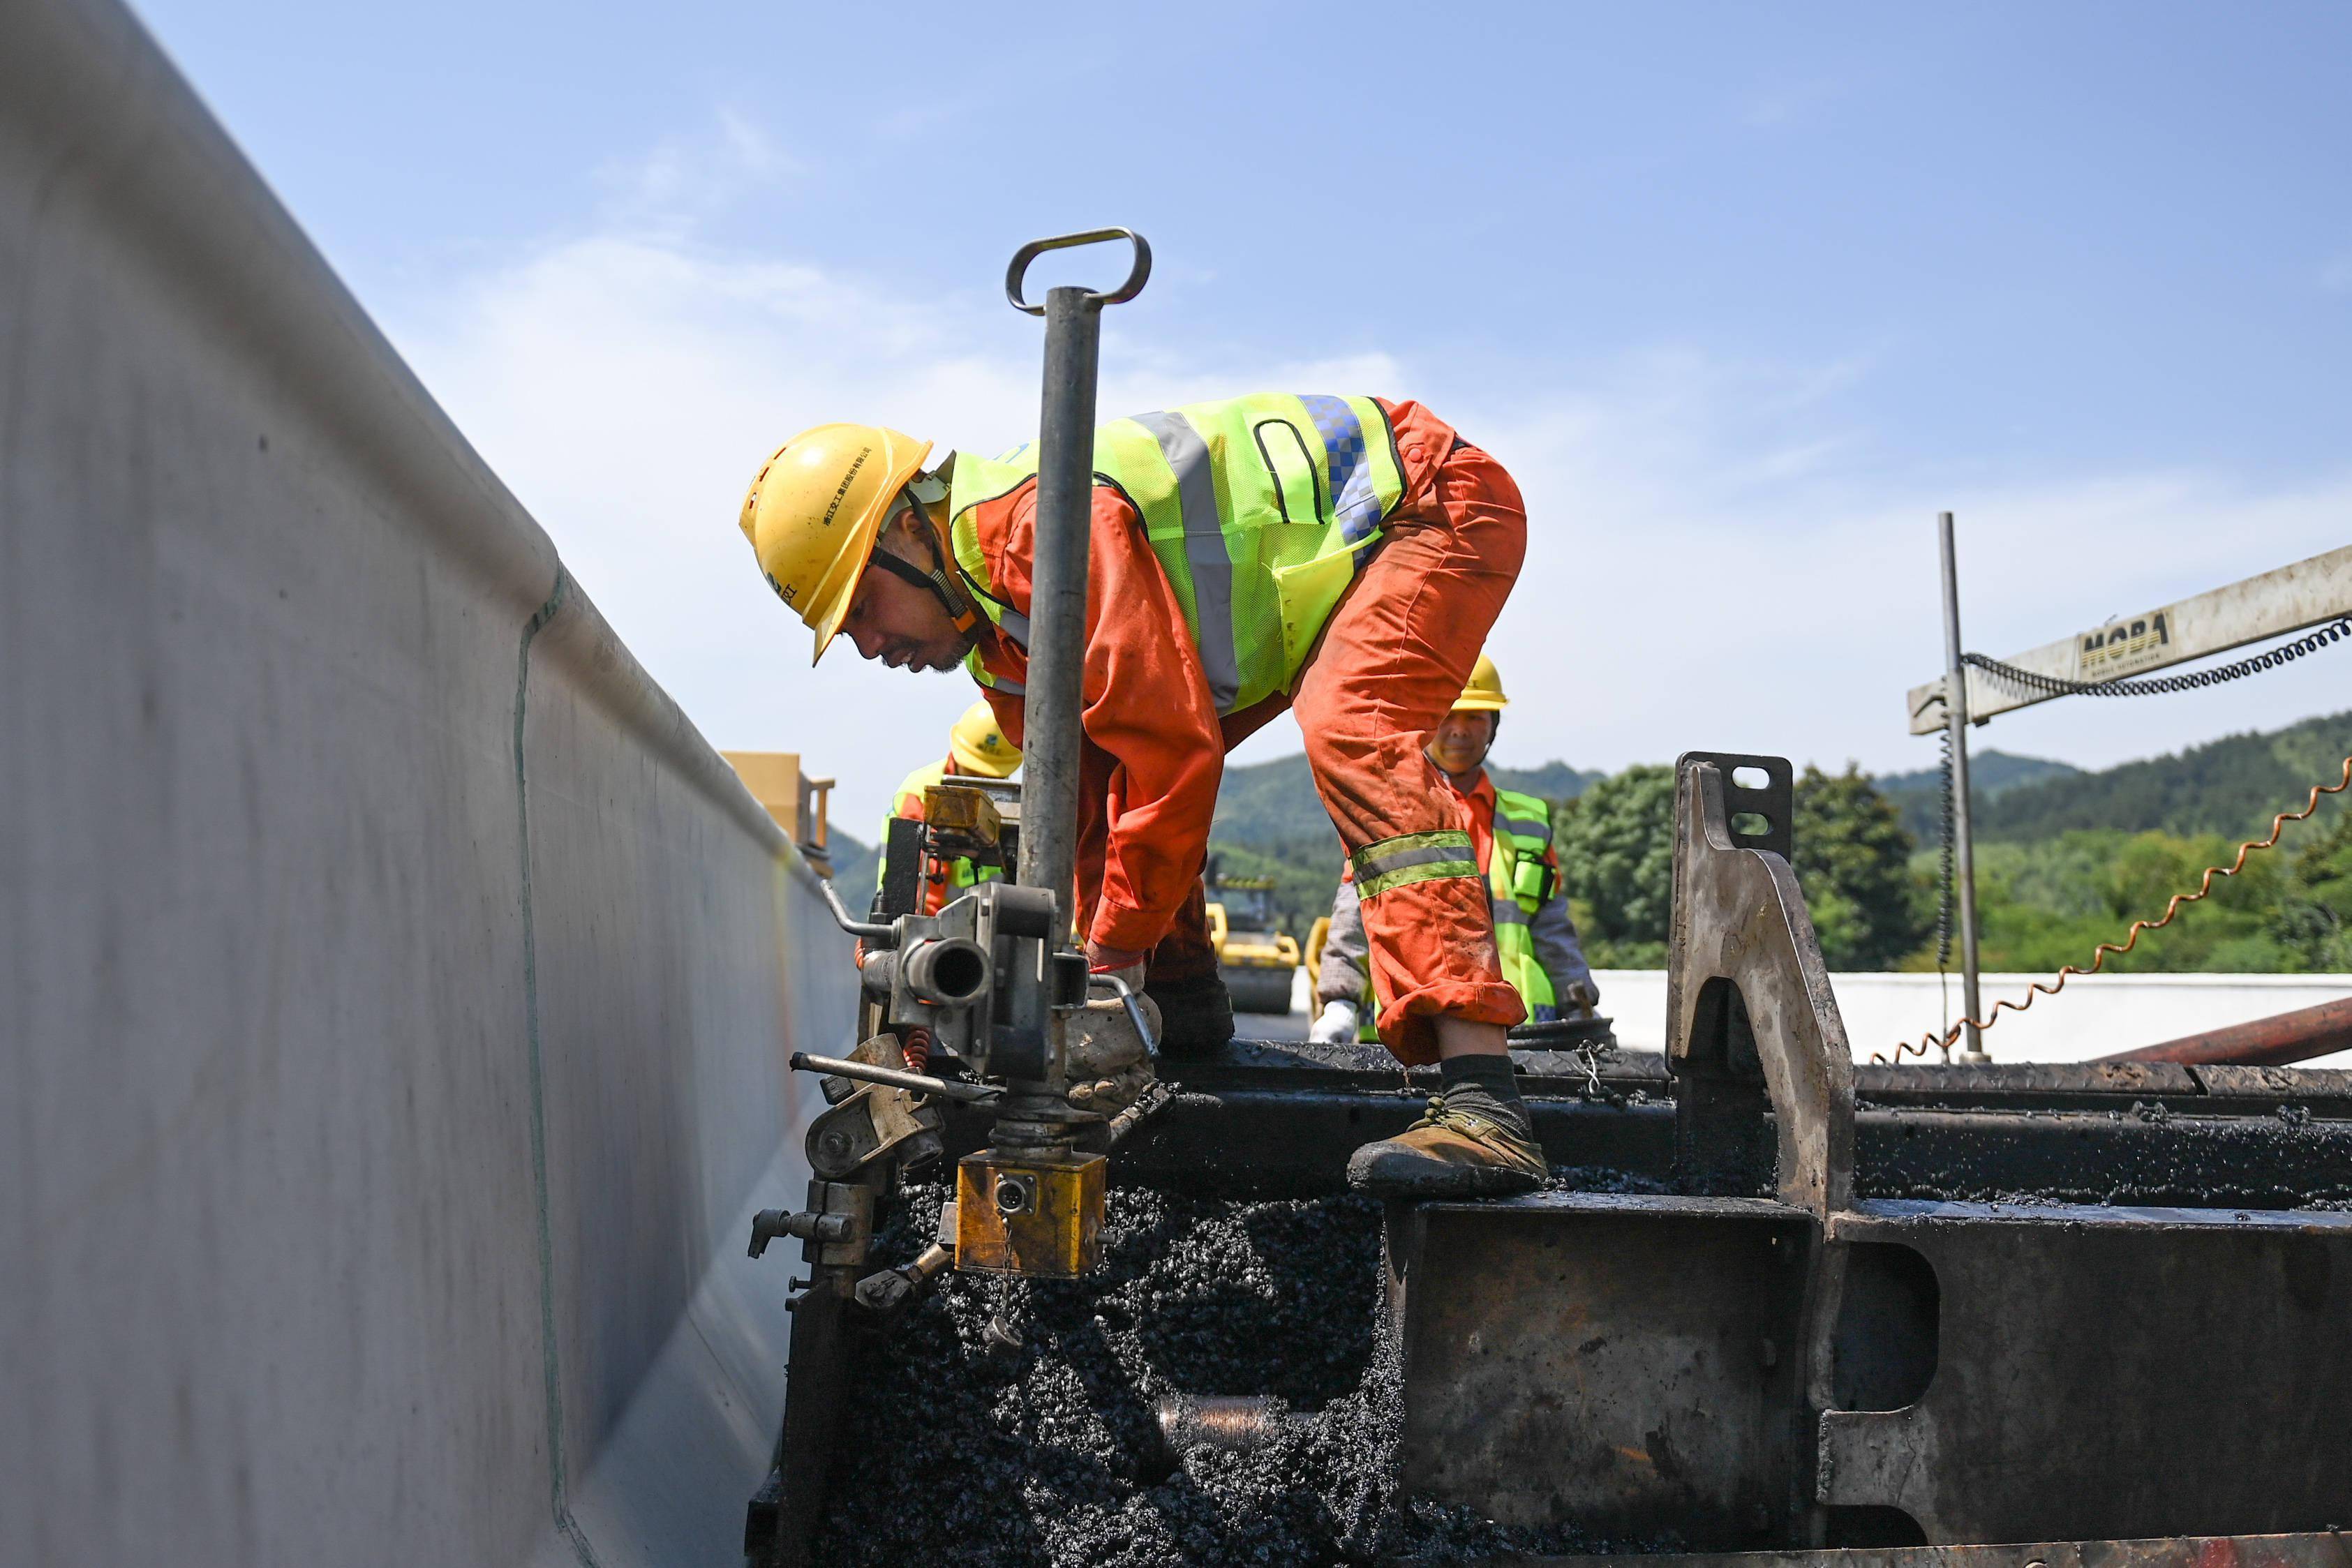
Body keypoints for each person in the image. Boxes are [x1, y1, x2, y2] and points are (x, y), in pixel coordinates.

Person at [738, 394, 1546, 1196]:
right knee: (1119, 771)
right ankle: (1187, 1003)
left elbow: (1170, 758)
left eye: (863, 608)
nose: (871, 646)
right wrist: (1115, 986)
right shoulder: (1003, 636)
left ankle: (1483, 1102)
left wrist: (1111, 970)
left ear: (909, 526)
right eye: (846, 634)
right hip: (1335, 560)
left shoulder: (1049, 537)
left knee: (1355, 732)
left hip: (1426, 503)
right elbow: (1089, 805)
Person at [1309, 653, 1597, 1045]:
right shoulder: (1388, 813)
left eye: (1475, 717)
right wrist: (1339, 1000)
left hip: (1520, 1033)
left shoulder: (1530, 820)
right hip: (1413, 1033)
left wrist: (1578, 1001)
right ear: (1425, 723)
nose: (1460, 731)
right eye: (1448, 715)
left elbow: (1551, 925)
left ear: (1494, 726)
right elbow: (1355, 914)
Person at [876, 699, 1021, 916]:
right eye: (974, 773)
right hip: (924, 925)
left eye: (992, 777)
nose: (980, 786)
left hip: (993, 928)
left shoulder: (1016, 806)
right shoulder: (920, 795)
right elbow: (920, 894)